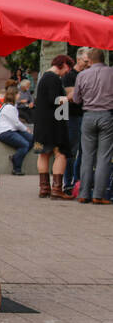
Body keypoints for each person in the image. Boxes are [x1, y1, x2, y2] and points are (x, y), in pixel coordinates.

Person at [72, 46, 113, 205]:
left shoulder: (82, 75)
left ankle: (83, 194)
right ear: (103, 58)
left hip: (88, 116)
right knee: (104, 156)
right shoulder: (111, 72)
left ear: (90, 60)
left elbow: (76, 99)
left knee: (87, 156)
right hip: (106, 116)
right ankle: (98, 195)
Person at [32, 54, 74, 199]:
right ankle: (57, 189)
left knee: (42, 153)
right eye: (68, 67)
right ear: (62, 64)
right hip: (53, 125)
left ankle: (44, 188)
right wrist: (68, 97)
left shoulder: (44, 77)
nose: (67, 72)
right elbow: (54, 100)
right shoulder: (54, 79)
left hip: (40, 126)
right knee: (60, 153)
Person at [61, 49, 90, 197]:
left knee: (84, 151)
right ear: (78, 60)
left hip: (85, 115)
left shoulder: (88, 74)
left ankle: (78, 181)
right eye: (85, 61)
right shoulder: (70, 76)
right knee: (71, 150)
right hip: (72, 117)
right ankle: (68, 183)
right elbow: (70, 97)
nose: (88, 63)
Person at [0, 87, 34, 176]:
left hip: (10, 130)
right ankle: (17, 167)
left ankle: (18, 155)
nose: (19, 95)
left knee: (31, 139)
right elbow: (16, 123)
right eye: (18, 93)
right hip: (4, 131)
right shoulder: (9, 107)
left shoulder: (10, 106)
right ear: (14, 95)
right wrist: (26, 129)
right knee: (25, 144)